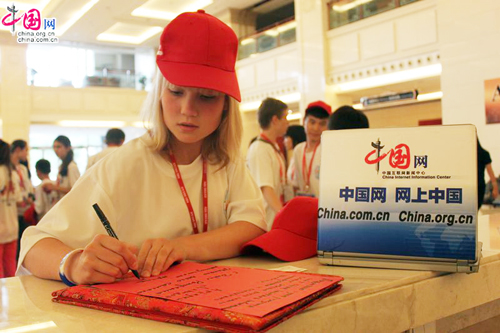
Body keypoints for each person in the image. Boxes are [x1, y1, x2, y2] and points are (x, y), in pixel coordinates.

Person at [18, 10, 266, 286]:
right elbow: (33, 246)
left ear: (225, 107)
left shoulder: (226, 162)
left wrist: (181, 247)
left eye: (207, 97)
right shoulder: (125, 164)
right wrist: (74, 264)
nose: (187, 110)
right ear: (160, 93)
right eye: (176, 92)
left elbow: (252, 226)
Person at [247, 97, 291, 230]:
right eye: (285, 117)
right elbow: (266, 189)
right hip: (266, 222)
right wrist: (284, 216)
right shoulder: (259, 148)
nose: (287, 123)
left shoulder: (272, 146)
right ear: (275, 120)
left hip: (274, 218)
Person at [288, 101, 331, 198]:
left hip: (324, 207)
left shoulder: (328, 150)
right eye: (312, 122)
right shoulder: (298, 150)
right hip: (304, 205)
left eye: (322, 124)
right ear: (304, 121)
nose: (316, 128)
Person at [0, 140, 22, 278]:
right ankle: (14, 297)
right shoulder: (12, 173)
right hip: (12, 226)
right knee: (10, 266)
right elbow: (19, 201)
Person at [10, 140, 34, 259]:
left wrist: (29, 198)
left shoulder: (23, 169)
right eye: (26, 150)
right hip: (13, 212)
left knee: (23, 245)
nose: (26, 154)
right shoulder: (7, 170)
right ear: (18, 150)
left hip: (25, 212)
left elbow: (28, 187)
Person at [43, 135, 80, 201]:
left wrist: (55, 187)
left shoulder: (72, 167)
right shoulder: (62, 166)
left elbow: (76, 190)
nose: (56, 150)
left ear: (68, 148)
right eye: (54, 147)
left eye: (58, 147)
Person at [477, 139, 498, 209]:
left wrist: (495, 187)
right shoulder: (484, 153)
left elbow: (490, 172)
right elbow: (490, 172)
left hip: (470, 184)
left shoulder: (467, 155)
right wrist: (495, 187)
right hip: (480, 185)